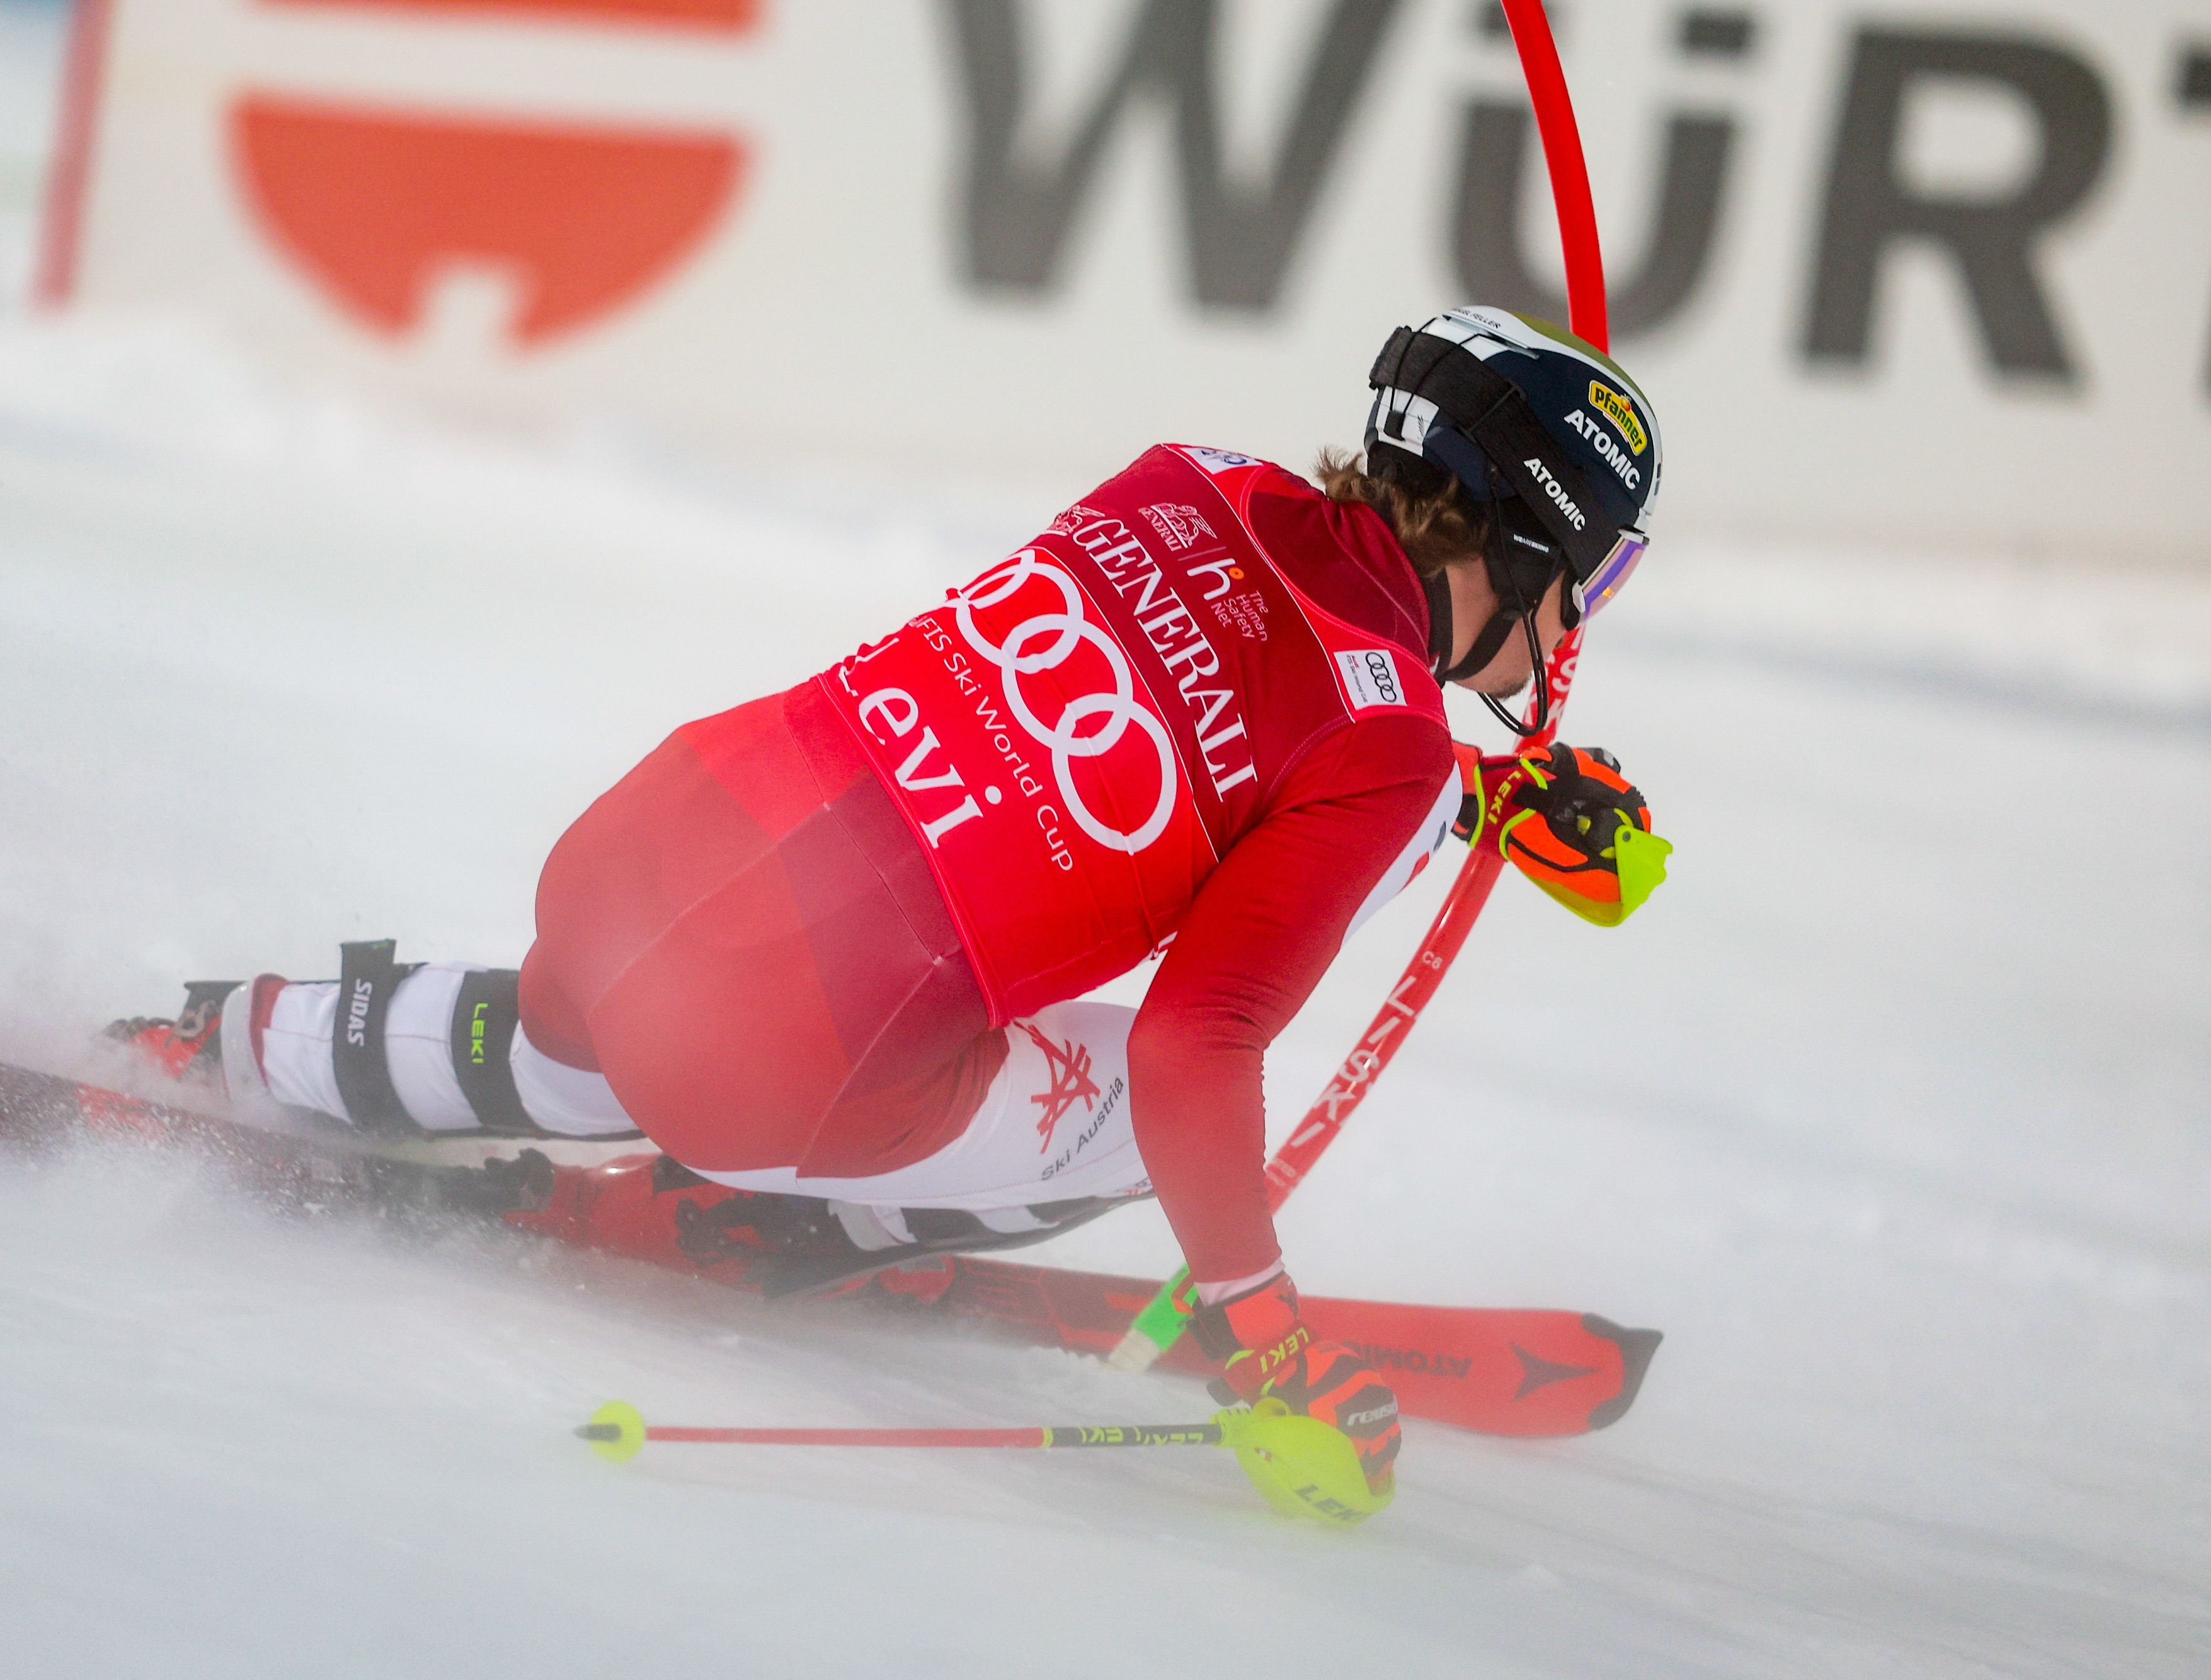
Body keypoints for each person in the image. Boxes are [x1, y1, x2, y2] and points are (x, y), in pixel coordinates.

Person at [115, 305, 1673, 1496]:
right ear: (1523, 535)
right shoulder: (1389, 751)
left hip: (630, 856)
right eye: (1586, 584)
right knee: (1140, 1110)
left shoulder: (1193, 475)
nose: (1567, 632)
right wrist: (1268, 1345)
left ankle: (243, 1038)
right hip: (771, 1069)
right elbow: (1193, 1046)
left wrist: (1469, 797)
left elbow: (1244, 694)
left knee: (618, 1008)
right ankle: (762, 1206)